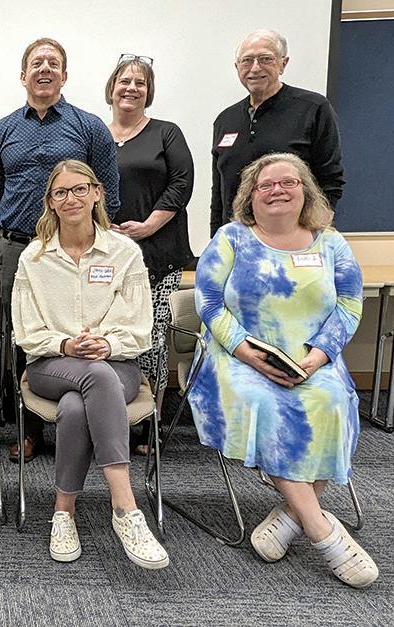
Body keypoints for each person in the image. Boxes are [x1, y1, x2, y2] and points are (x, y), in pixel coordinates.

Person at [188, 153, 377, 588]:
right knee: (264, 402)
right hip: (236, 356)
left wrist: (319, 355)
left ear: (305, 190)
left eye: (288, 182)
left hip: (312, 358)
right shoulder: (231, 239)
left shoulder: (330, 243)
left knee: (332, 402)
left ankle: (293, 516)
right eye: (266, 185)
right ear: (250, 196)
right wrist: (247, 353)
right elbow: (209, 303)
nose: (277, 190)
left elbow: (350, 305)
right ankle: (323, 531)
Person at [12, 159, 168, 569]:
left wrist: (106, 343)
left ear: (97, 193)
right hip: (50, 365)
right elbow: (26, 331)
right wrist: (65, 344)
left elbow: (140, 327)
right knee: (94, 378)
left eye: (80, 189)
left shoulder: (125, 252)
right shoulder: (34, 258)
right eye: (61, 192)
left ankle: (63, 513)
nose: (71, 198)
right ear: (50, 201)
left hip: (117, 364)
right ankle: (126, 508)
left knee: (76, 405)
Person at [0, 37, 121, 463]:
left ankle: (79, 420)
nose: (44, 69)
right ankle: (28, 431)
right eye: (36, 63)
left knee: (79, 326)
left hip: (77, 251)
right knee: (20, 336)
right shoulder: (2, 131)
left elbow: (108, 193)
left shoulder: (89, 127)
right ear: (23, 75)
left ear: (64, 75)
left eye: (53, 63)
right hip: (21, 247)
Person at [104, 54, 194, 452]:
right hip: (109, 257)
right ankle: (115, 415)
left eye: (140, 83)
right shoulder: (97, 135)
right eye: (124, 81)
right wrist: (102, 225)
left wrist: (149, 225)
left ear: (149, 92)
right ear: (111, 89)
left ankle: (149, 422)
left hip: (158, 254)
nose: (131, 88)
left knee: (153, 338)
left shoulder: (166, 133)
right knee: (114, 337)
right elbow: (83, 185)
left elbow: (182, 183)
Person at [211, 29, 344, 236]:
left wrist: (315, 234)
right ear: (237, 67)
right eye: (247, 61)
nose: (255, 68)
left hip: (294, 239)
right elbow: (219, 191)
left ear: (283, 63)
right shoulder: (225, 120)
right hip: (237, 240)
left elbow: (331, 179)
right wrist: (216, 239)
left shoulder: (313, 108)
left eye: (265, 59)